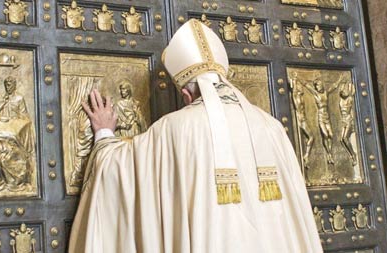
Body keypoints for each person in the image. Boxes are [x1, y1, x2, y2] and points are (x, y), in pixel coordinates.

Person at [69, 19, 322, 253]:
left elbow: (118, 173)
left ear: (186, 94)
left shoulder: (176, 128)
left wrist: (103, 133)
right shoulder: (273, 128)